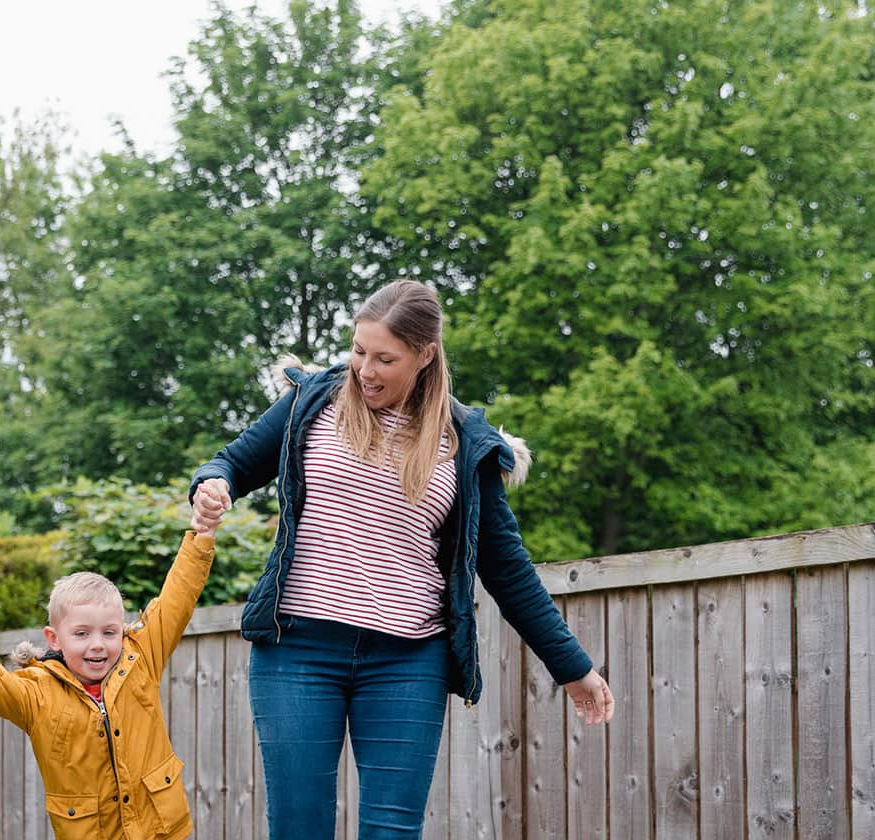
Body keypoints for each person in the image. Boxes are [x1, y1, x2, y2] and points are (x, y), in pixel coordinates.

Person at [190, 279, 614, 838]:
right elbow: (232, 462)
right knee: (299, 826)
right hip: (297, 651)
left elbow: (507, 569)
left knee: (392, 830)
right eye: (358, 352)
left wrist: (573, 668)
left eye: (384, 358)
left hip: (406, 661)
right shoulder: (312, 402)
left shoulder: (464, 444)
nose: (365, 370)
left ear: (425, 355)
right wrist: (212, 485)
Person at [0, 490, 229, 840]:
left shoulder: (141, 656)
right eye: (82, 633)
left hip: (163, 832)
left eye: (109, 632)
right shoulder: (36, 694)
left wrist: (202, 531)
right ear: (54, 638)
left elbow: (178, 598)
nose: (98, 644)